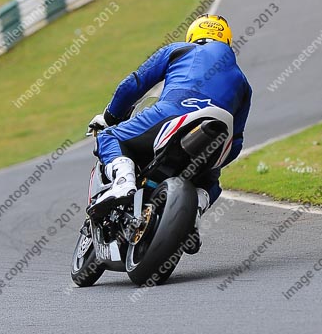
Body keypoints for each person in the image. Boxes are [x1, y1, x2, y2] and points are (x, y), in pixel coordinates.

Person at [87, 14, 252, 249]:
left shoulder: (178, 50)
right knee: (212, 183)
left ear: (193, 35)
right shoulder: (243, 82)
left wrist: (110, 117)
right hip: (218, 133)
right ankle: (193, 215)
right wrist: (214, 166)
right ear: (226, 41)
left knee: (109, 136)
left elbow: (132, 84)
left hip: (173, 111)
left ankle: (124, 182)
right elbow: (236, 143)